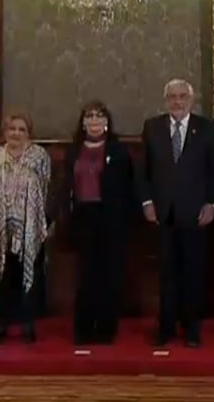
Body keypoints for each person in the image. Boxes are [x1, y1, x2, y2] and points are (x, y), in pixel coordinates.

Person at [138, 79, 214, 348]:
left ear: (191, 100)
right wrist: (146, 202)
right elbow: (143, 170)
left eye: (182, 96)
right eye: (172, 97)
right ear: (166, 100)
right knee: (166, 273)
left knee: (193, 273)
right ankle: (165, 327)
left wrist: (211, 203)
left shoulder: (206, 128)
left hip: (195, 213)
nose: (177, 101)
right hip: (163, 213)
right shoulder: (152, 127)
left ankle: (191, 328)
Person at [58, 100, 135, 345]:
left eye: (99, 116)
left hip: (110, 218)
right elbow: (66, 186)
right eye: (89, 116)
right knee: (85, 275)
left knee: (108, 274)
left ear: (106, 122)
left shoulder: (118, 151)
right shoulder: (74, 151)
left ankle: (105, 328)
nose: (94, 121)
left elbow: (128, 187)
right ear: (83, 123)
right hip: (83, 217)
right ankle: (83, 329)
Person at [0, 112, 51, 345]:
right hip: (0, 225)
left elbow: (45, 189)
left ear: (29, 133)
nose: (16, 134)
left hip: (29, 225)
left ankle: (28, 324)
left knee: (30, 273)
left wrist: (42, 222)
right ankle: (0, 325)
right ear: (5, 132)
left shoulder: (39, 156)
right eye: (12, 129)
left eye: (21, 129)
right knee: (3, 274)